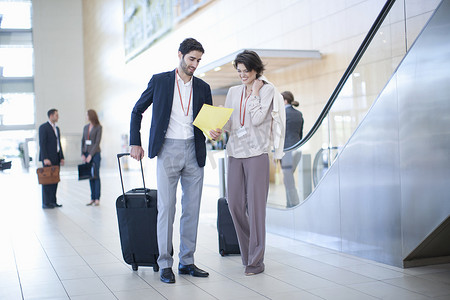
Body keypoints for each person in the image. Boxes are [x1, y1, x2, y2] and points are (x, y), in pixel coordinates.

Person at [129, 38, 212, 284]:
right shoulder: (160, 81)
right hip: (167, 150)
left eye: (198, 60)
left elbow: (208, 122)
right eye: (191, 59)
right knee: (167, 207)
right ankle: (165, 263)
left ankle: (187, 261)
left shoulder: (204, 87)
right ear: (180, 55)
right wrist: (136, 142)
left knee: (192, 208)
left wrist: (214, 131)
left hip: (194, 151)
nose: (195, 64)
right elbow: (137, 110)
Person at [210, 50, 285, 276]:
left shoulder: (267, 89)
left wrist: (254, 93)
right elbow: (233, 123)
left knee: (256, 208)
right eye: (239, 71)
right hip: (235, 152)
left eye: (246, 71)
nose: (242, 75)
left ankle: (256, 261)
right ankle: (248, 252)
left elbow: (258, 118)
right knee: (233, 204)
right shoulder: (233, 92)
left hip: (257, 154)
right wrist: (218, 129)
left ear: (256, 70)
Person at [281, 91, 304, 207]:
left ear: (285, 101)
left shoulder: (283, 114)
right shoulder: (298, 114)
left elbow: (278, 134)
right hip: (297, 149)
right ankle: (290, 202)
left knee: (288, 180)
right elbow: (301, 134)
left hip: (286, 150)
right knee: (288, 179)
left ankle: (293, 204)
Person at [39, 108, 64, 209]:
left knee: (55, 180)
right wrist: (45, 157)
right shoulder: (43, 127)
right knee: (47, 181)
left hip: (56, 158)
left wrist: (61, 157)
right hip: (48, 159)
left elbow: (59, 144)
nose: (58, 117)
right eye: (56, 115)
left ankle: (53, 201)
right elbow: (42, 144)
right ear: (51, 116)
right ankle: (46, 203)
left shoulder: (57, 128)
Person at [81, 109, 102, 206]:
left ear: (91, 115)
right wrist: (83, 154)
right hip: (86, 154)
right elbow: (83, 141)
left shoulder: (98, 127)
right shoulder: (86, 127)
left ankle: (97, 198)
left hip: (95, 154)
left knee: (96, 176)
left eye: (87, 115)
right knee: (90, 176)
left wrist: (90, 155)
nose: (86, 117)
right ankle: (92, 198)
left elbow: (97, 143)